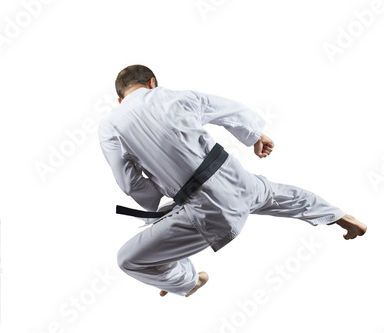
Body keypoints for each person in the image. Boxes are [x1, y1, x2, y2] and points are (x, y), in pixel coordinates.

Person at [98, 65, 367, 297]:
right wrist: (256, 136)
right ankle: (342, 217)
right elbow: (226, 109)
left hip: (209, 212)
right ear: (151, 83)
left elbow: (129, 183)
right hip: (235, 177)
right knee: (277, 193)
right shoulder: (172, 96)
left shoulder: (110, 125)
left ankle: (189, 282)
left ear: (120, 99)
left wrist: (156, 193)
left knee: (129, 259)